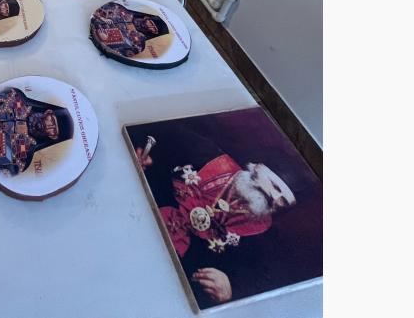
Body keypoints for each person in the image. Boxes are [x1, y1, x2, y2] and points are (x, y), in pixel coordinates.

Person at [128, 117, 315, 307]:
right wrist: (142, 155)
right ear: (257, 169)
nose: (275, 198)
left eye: (284, 201)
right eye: (275, 186)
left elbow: (258, 284)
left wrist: (229, 289)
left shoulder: (263, 239)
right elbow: (150, 131)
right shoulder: (202, 152)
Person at [0, 87, 74, 176]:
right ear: (48, 112)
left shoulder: (22, 157)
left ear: (53, 136)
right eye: (51, 120)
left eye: (54, 130)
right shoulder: (16, 99)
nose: (49, 126)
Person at [90, 1, 170, 58]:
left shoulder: (139, 43)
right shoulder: (121, 10)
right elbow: (96, 13)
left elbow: (120, 52)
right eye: (151, 23)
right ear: (147, 17)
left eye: (154, 29)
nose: (150, 27)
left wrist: (105, 40)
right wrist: (101, 18)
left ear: (155, 33)